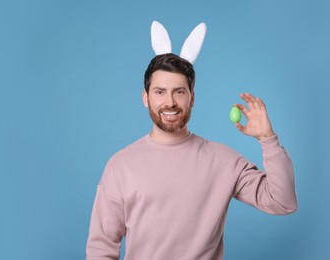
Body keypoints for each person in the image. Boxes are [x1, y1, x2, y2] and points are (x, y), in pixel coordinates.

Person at [86, 22, 297, 260]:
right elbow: (101, 248)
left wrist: (268, 139)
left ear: (192, 98)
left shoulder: (223, 160)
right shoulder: (120, 166)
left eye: (179, 91)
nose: (170, 102)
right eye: (159, 92)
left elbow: (283, 202)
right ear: (145, 98)